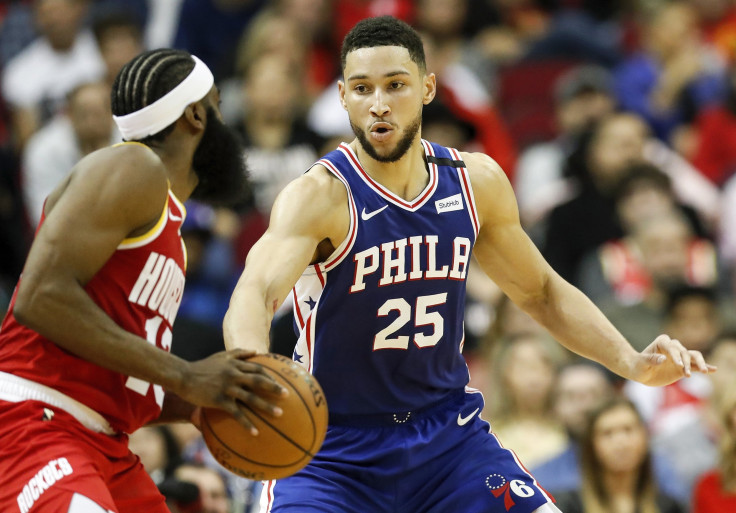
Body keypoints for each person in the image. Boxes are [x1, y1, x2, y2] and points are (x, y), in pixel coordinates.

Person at [223, 16, 715, 513]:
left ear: (428, 88)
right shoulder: (319, 195)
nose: (379, 103)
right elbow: (255, 293)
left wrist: (630, 361)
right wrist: (249, 372)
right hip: (333, 449)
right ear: (343, 97)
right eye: (362, 88)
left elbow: (540, 292)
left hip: (448, 442)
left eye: (396, 85)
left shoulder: (474, 182)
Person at [0, 49, 287, 513]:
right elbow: (37, 297)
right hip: (36, 419)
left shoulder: (163, 220)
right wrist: (185, 373)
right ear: (196, 114)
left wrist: (195, 400)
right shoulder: (133, 168)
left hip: (105, 443)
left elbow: (118, 368)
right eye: (217, 104)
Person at [553, 397, 685, 513]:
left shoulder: (669, 507)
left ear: (645, 437)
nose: (620, 442)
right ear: (592, 446)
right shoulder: (565, 506)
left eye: (628, 430)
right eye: (607, 433)